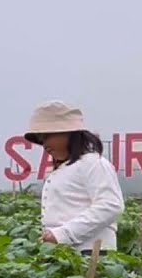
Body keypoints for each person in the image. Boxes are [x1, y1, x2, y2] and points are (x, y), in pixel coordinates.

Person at [23, 101, 125, 255]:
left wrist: (63, 234)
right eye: (41, 138)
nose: (44, 144)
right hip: (66, 253)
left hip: (92, 253)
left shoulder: (92, 163)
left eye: (48, 136)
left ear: (69, 133)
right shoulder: (65, 169)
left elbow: (111, 205)